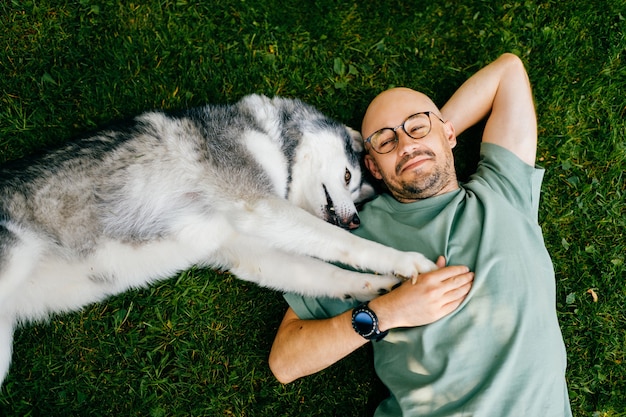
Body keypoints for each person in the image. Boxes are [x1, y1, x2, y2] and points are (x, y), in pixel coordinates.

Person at [268, 53, 572, 416]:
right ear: (372, 168)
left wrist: (430, 137)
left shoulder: (504, 190)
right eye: (384, 141)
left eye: (417, 126)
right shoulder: (359, 239)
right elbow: (285, 361)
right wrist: (387, 312)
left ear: (450, 132)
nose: (405, 144)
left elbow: (508, 71)